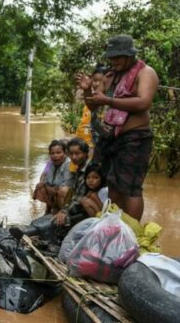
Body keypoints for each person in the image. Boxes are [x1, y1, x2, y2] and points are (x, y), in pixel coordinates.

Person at [76, 35, 159, 221]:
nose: (113, 61)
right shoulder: (110, 76)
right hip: (112, 137)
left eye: (117, 57)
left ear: (129, 55)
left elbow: (143, 103)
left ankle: (132, 232)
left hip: (135, 137)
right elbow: (93, 105)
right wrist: (87, 89)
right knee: (113, 184)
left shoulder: (146, 73)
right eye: (111, 58)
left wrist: (108, 100)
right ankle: (116, 227)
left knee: (131, 188)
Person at [54, 138, 91, 226]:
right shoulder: (50, 164)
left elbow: (78, 195)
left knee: (64, 191)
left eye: (77, 153)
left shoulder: (86, 169)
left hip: (87, 203)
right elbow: (45, 174)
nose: (74, 157)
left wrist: (64, 211)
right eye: (71, 154)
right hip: (77, 198)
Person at [33, 140, 73, 214]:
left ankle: (63, 212)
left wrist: (50, 188)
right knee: (40, 187)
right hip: (52, 187)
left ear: (65, 153)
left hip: (65, 193)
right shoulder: (50, 162)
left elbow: (66, 186)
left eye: (58, 153)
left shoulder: (69, 164)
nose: (55, 156)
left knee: (62, 191)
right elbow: (44, 173)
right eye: (52, 153)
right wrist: (41, 182)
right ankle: (48, 210)